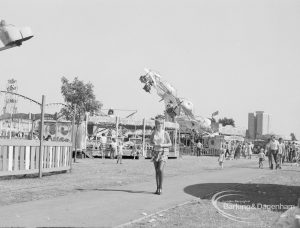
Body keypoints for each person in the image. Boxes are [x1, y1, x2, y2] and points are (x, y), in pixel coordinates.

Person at [150, 115, 172, 195]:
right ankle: (157, 188)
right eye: (158, 124)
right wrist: (154, 144)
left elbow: (170, 143)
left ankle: (161, 187)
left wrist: (162, 145)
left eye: (161, 124)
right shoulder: (153, 133)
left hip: (163, 152)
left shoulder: (165, 133)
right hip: (155, 152)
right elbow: (150, 142)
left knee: (160, 169)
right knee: (156, 171)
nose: (159, 125)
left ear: (163, 125)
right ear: (156, 125)